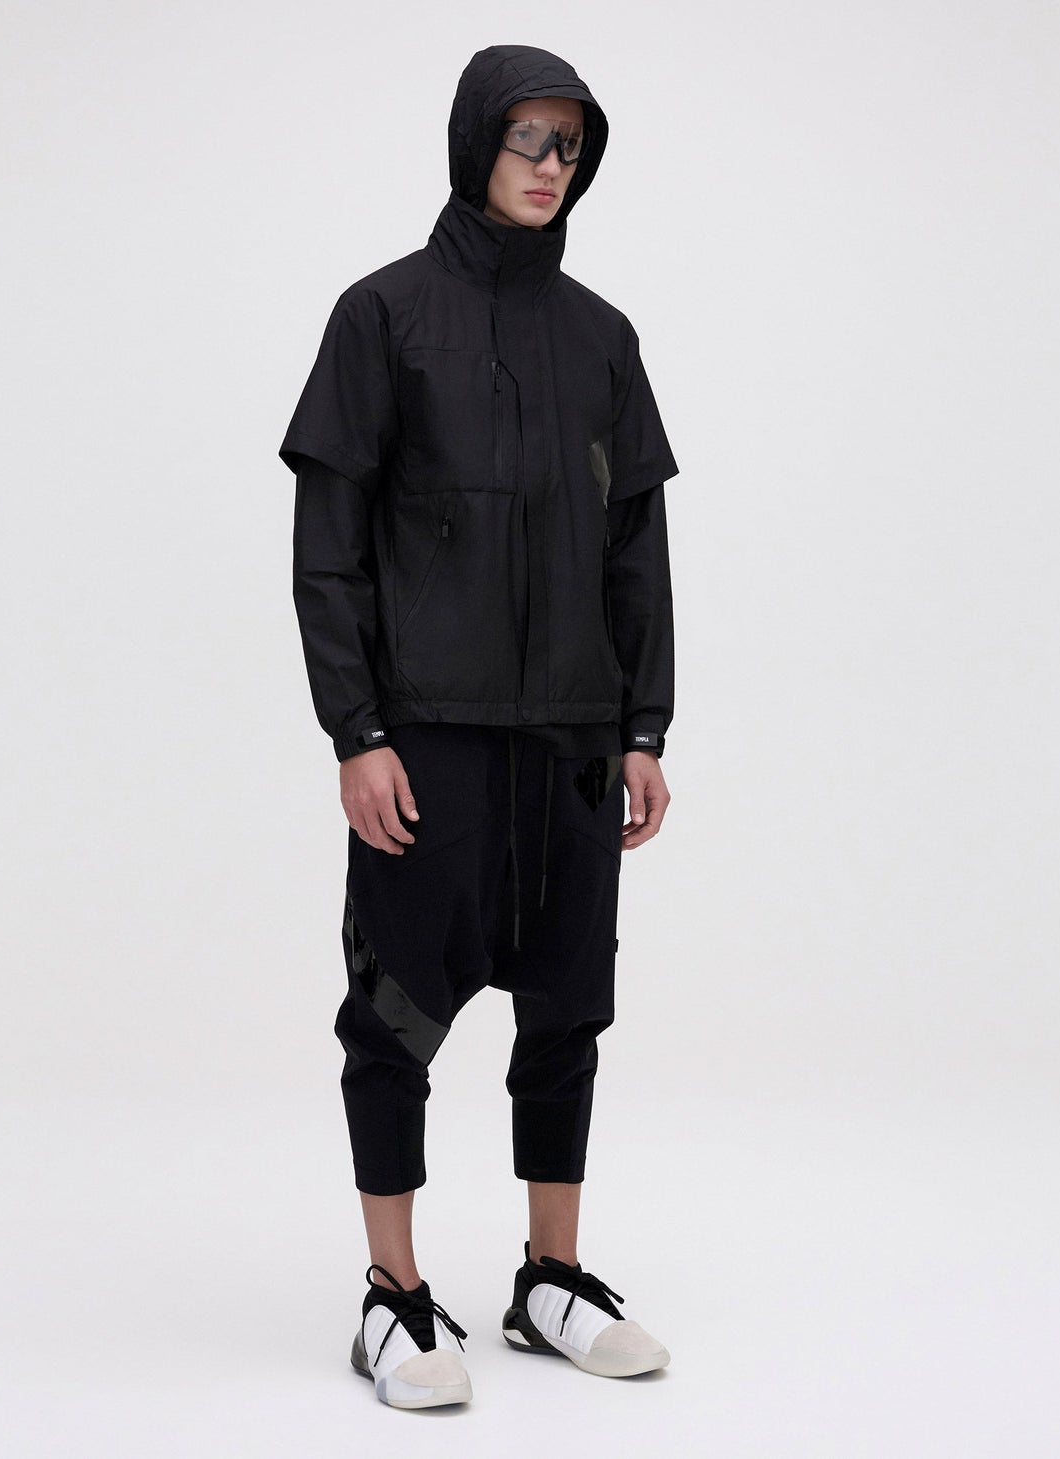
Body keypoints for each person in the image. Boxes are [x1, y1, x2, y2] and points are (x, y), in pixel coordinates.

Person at [278, 43, 680, 1410]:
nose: (548, 165)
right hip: (429, 740)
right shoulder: (382, 317)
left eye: (570, 144)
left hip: (570, 742)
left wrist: (643, 728)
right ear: (473, 143)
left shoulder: (602, 338)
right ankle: (393, 1296)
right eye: (525, 138)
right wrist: (356, 731)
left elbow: (636, 550)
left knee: (568, 1013)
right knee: (394, 1017)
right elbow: (328, 550)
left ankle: (547, 1279)